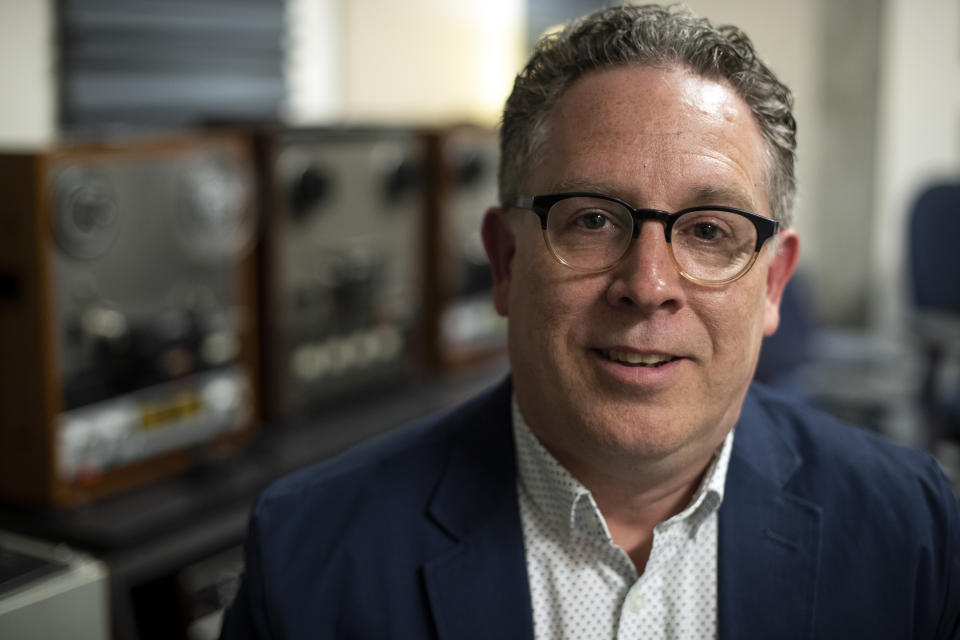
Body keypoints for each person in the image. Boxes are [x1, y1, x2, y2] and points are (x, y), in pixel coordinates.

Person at [220, 5, 959, 638]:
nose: (648, 285)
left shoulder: (911, 528)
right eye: (594, 220)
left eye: (708, 231)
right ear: (505, 261)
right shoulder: (309, 559)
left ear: (773, 283)